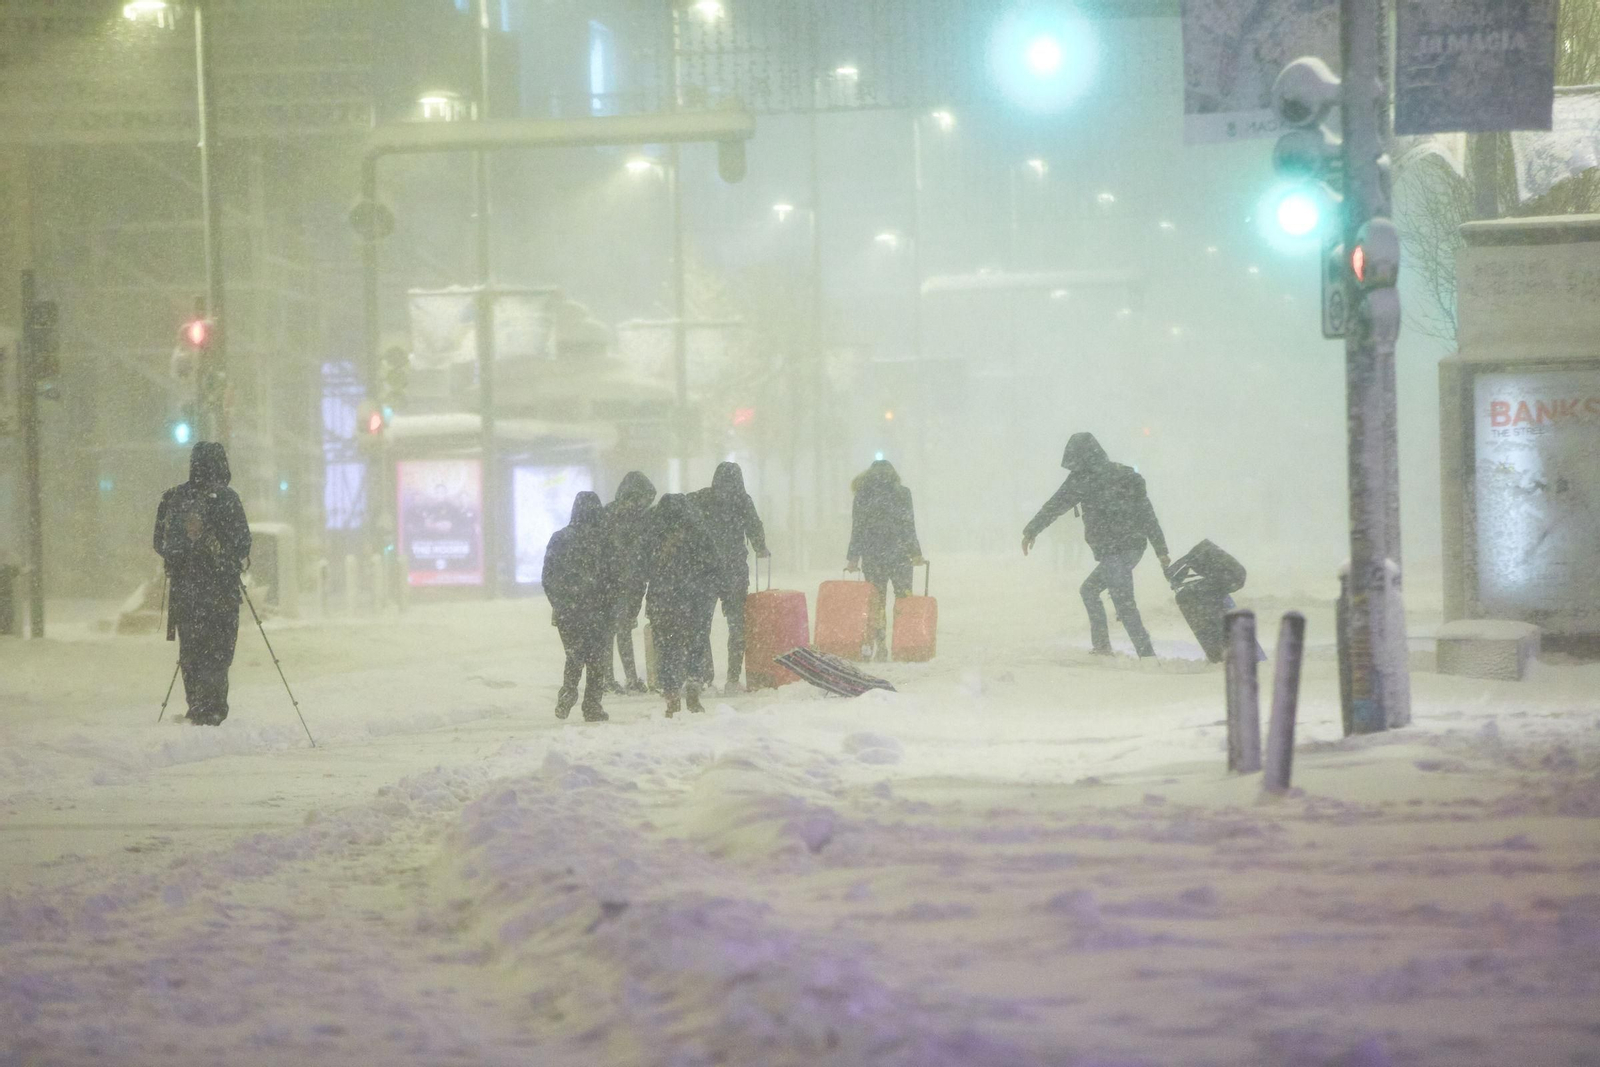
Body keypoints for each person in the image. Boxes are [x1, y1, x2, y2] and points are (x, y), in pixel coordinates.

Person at [1022, 432, 1170, 659]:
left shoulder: (1082, 480)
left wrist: (1031, 531)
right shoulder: (1121, 474)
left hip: (1114, 549)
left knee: (1123, 603)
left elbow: (1055, 505)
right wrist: (1161, 550)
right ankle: (1103, 647)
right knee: (1090, 590)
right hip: (1132, 546)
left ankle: (1146, 655)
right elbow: (1147, 515)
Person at [153, 442, 251, 725]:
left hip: (185, 593)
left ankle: (196, 706)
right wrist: (220, 556)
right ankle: (213, 710)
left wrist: (185, 558)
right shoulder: (227, 498)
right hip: (221, 593)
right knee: (218, 655)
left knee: (191, 653)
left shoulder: (173, 498)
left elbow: (159, 543)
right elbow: (242, 543)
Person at [688, 461, 769, 692]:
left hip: (705, 570)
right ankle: (733, 679)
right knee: (737, 625)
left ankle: (705, 678)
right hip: (733, 571)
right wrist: (761, 548)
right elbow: (754, 526)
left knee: (701, 625)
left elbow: (683, 515)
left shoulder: (702, 498)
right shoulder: (742, 500)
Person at [643, 493, 718, 717]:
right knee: (695, 645)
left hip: (663, 601)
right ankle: (693, 687)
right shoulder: (699, 532)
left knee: (666, 650)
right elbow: (714, 565)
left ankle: (672, 697)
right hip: (695, 601)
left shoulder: (653, 534)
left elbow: (641, 568)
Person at [541, 491, 612, 722]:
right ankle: (592, 705)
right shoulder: (604, 540)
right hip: (597, 610)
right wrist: (610, 604)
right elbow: (614, 577)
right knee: (596, 659)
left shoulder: (560, 538)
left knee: (574, 654)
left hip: (568, 611)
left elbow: (548, 576)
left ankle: (569, 690)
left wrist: (560, 603)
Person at [846, 459, 925, 661]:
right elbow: (908, 525)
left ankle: (880, 645)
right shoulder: (902, 493)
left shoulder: (863, 494)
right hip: (900, 556)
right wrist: (915, 553)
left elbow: (858, 528)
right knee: (903, 601)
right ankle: (904, 644)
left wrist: (853, 558)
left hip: (873, 556)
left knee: (876, 603)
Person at [601, 471, 657, 694]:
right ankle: (626, 678)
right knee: (618, 629)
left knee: (613, 630)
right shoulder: (639, 519)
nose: (645, 503)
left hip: (620, 581)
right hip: (623, 581)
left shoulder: (610, 514)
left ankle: (610, 678)